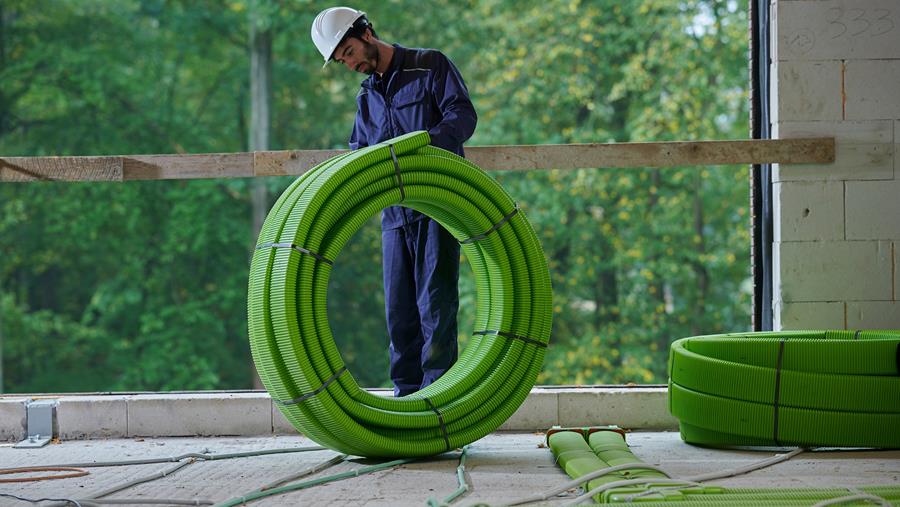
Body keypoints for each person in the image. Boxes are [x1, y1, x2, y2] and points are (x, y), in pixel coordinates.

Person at [311, 7, 478, 397]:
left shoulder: (429, 65)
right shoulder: (367, 96)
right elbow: (360, 151)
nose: (349, 63)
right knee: (399, 316)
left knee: (435, 309)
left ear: (366, 34)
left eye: (349, 52)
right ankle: (407, 404)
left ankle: (438, 404)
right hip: (394, 217)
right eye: (342, 60)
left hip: (437, 209)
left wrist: (424, 147)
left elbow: (462, 116)